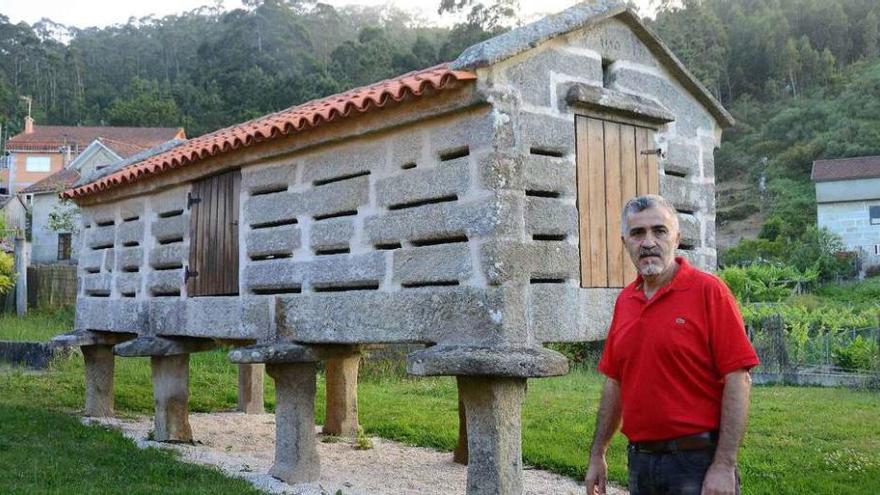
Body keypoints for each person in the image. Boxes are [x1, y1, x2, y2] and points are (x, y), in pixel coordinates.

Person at [584, 194, 759, 495]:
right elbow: (615, 381)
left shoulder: (709, 292)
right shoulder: (626, 301)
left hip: (696, 463)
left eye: (659, 231)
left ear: (676, 238)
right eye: (638, 233)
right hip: (640, 463)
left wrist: (724, 465)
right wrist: (598, 453)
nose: (648, 242)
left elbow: (738, 378)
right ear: (625, 241)